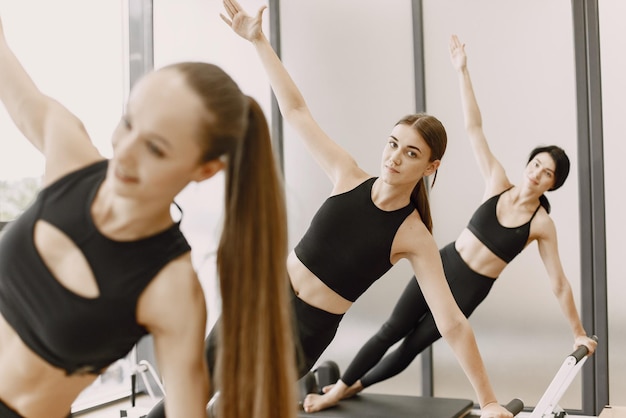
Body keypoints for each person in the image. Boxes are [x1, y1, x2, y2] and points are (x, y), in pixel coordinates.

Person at [214, 2, 514, 417]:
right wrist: (258, 40)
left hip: (305, 332)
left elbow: (451, 322)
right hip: (263, 296)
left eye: (411, 153)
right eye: (393, 144)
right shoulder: (347, 174)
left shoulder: (414, 236)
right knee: (185, 391)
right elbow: (296, 111)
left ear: (430, 167)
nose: (394, 158)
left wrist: (489, 401)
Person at [0, 12, 296, 418]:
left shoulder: (172, 288)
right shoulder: (69, 158)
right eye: (127, 123)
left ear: (205, 169)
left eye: (155, 149)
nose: (124, 152)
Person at [305, 34, 599, 412]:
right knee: (390, 329)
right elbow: (474, 127)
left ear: (553, 184)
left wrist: (577, 331)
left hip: (472, 288)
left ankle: (344, 389)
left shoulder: (541, 224)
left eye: (547, 174)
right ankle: (338, 389)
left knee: (410, 348)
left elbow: (558, 282)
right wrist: (462, 71)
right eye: (535, 165)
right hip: (444, 263)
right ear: (528, 165)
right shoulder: (497, 181)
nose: (536, 174)